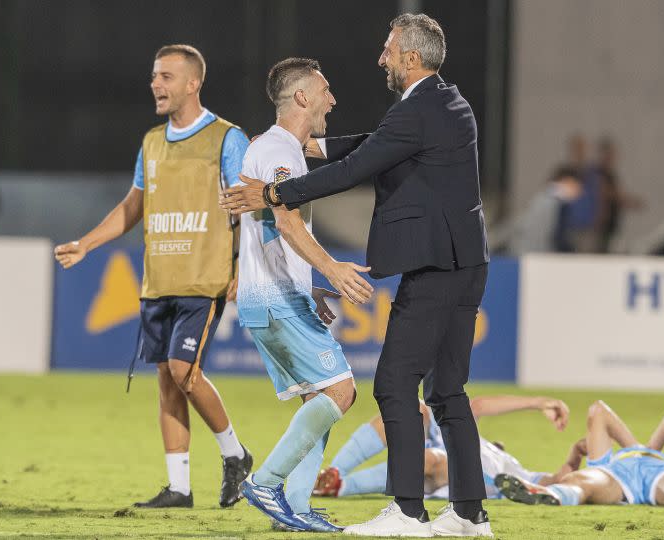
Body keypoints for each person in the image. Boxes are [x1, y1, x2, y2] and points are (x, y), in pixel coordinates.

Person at [220, 13, 492, 537]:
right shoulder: (445, 103)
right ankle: (468, 514)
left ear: (410, 58)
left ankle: (408, 511)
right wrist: (311, 147)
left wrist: (275, 193)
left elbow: (360, 166)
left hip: (436, 270)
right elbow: (373, 144)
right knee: (447, 391)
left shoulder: (418, 110)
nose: (381, 59)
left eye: (388, 51)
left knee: (391, 385)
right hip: (465, 264)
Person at [53, 44, 253, 509]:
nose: (155, 85)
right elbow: (132, 207)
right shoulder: (151, 142)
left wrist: (242, 265)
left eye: (166, 77)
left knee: (185, 371)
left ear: (192, 83)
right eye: (153, 76)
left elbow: (249, 203)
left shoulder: (227, 138)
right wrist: (87, 243)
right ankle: (179, 488)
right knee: (166, 378)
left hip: (204, 279)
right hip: (158, 279)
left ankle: (234, 453)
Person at [233, 57, 373, 533]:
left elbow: (268, 230)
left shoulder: (274, 148)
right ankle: (267, 484)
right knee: (341, 391)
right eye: (326, 90)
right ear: (303, 97)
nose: (333, 100)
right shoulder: (280, 153)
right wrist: (331, 267)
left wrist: (305, 283)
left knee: (319, 398)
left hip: (271, 294)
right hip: (274, 298)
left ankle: (292, 507)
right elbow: (286, 218)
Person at [312, 395, 571, 500]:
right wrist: (538, 402)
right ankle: (334, 471)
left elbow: (556, 482)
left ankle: (341, 487)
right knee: (411, 408)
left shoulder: (515, 470)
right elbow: (477, 406)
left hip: (456, 471)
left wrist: (576, 456)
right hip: (439, 446)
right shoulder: (476, 439)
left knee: (430, 458)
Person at [497, 401, 664, 511]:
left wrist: (642, 450)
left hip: (662, 473)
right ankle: (552, 495)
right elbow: (599, 411)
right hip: (616, 475)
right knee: (583, 480)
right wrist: (639, 449)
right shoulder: (612, 461)